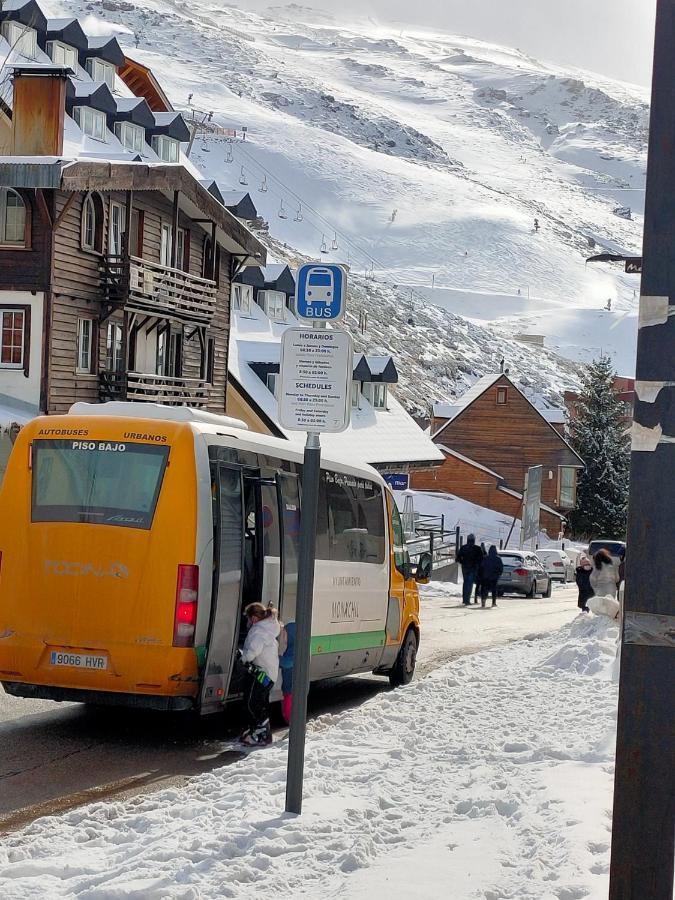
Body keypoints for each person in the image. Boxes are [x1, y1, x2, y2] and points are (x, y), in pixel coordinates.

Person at [239, 603, 280, 746]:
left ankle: (262, 733)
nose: (248, 622)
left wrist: (244, 658)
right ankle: (255, 730)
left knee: (252, 702)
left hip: (261, 673)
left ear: (255, 618)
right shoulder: (268, 628)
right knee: (260, 702)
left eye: (249, 619)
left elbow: (253, 651)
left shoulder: (259, 631)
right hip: (269, 675)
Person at [457, 534, 483, 606]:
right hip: (472, 568)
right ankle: (467, 600)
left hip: (465, 568)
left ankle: (464, 599)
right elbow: (481, 559)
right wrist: (477, 565)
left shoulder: (463, 548)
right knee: (469, 584)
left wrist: (463, 562)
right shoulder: (477, 548)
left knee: (465, 583)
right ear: (474, 540)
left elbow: (458, 558)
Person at [279, 620, 295, 725]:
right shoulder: (290, 648)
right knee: (286, 708)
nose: (283, 638)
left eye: (285, 634)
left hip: (292, 689)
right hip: (287, 688)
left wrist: (277, 658)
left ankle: (292, 727)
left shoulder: (296, 649)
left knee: (289, 710)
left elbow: (288, 663)